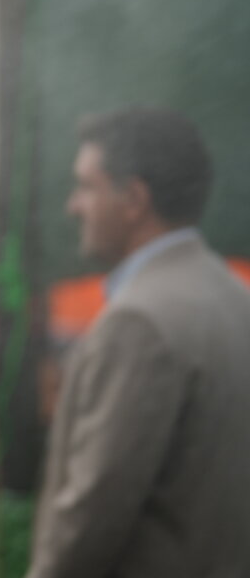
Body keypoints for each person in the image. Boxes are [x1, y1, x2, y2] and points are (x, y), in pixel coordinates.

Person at [27, 107, 250, 577]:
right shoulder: (235, 297)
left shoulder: (138, 322)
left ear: (133, 199)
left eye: (86, 186)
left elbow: (88, 518)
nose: (73, 206)